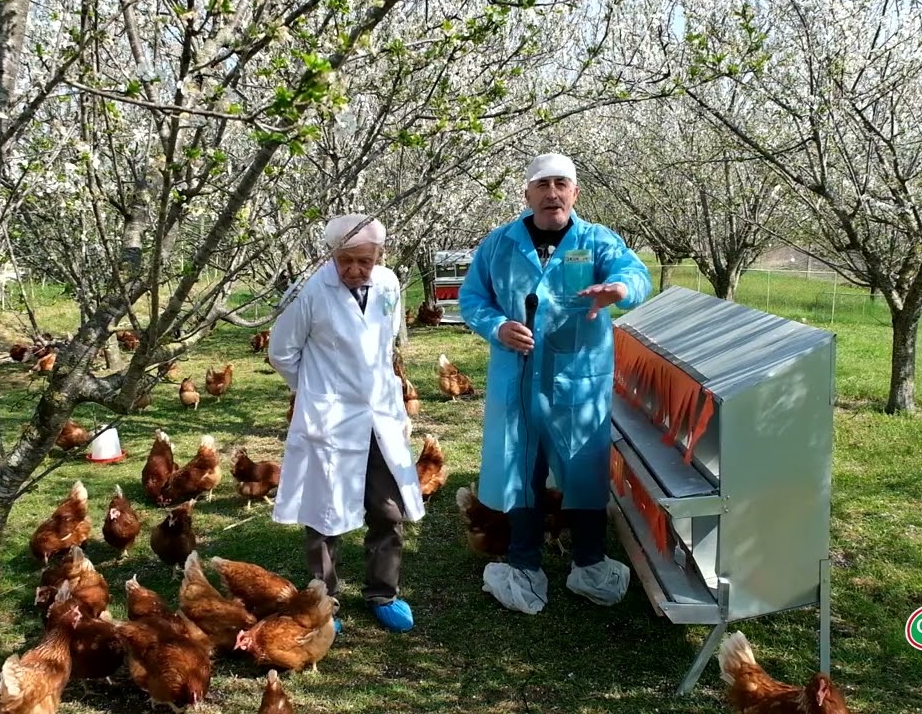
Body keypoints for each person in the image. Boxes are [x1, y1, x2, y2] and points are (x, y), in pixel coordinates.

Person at [457, 152, 653, 615]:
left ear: (574, 192)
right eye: (542, 185)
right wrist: (497, 327)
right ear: (527, 194)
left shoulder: (596, 240)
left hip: (577, 383)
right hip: (517, 378)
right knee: (520, 470)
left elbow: (636, 274)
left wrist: (618, 290)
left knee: (583, 472)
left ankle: (589, 562)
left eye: (561, 184)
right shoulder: (500, 243)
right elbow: (472, 297)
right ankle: (524, 564)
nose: (552, 193)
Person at [267, 213, 426, 633]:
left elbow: (384, 339)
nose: (354, 270)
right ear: (331, 255)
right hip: (330, 419)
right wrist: (320, 393)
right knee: (324, 514)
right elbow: (281, 352)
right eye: (345, 261)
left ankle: (384, 592)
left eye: (364, 261)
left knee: (387, 509)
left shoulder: (390, 285)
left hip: (378, 416)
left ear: (379, 256)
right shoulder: (309, 292)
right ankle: (324, 598)